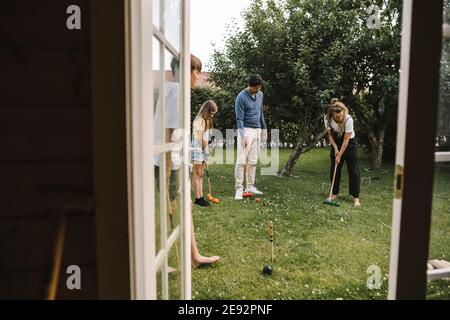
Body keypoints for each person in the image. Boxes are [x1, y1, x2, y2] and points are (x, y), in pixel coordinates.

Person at [154, 54, 220, 267]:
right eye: (196, 71)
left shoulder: (170, 90)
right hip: (167, 164)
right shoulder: (176, 93)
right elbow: (167, 135)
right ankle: (164, 259)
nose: (198, 76)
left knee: (184, 207)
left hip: (169, 163)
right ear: (184, 72)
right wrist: (167, 173)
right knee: (171, 210)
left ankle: (191, 257)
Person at [234, 74, 268, 200]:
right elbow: (239, 119)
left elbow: (260, 113)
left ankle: (250, 186)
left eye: (259, 88)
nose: (257, 90)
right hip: (246, 129)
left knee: (253, 160)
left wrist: (264, 128)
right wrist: (242, 136)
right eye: (255, 88)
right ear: (249, 86)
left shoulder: (260, 95)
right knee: (241, 161)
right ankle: (239, 189)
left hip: (257, 129)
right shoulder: (241, 97)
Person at [324, 98, 361, 207]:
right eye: (337, 117)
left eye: (341, 116)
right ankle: (334, 193)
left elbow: (346, 140)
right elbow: (330, 136)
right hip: (336, 142)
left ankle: (356, 197)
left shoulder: (348, 119)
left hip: (349, 144)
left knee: (353, 170)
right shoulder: (327, 119)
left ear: (343, 112)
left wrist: (340, 155)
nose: (339, 118)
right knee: (335, 168)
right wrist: (335, 149)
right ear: (332, 114)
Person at [191, 100, 219, 206]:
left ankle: (201, 197)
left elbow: (205, 138)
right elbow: (201, 138)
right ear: (206, 111)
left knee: (201, 174)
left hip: (202, 146)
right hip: (197, 147)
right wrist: (206, 152)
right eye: (211, 113)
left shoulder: (205, 120)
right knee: (197, 173)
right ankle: (198, 199)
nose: (212, 116)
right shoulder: (199, 120)